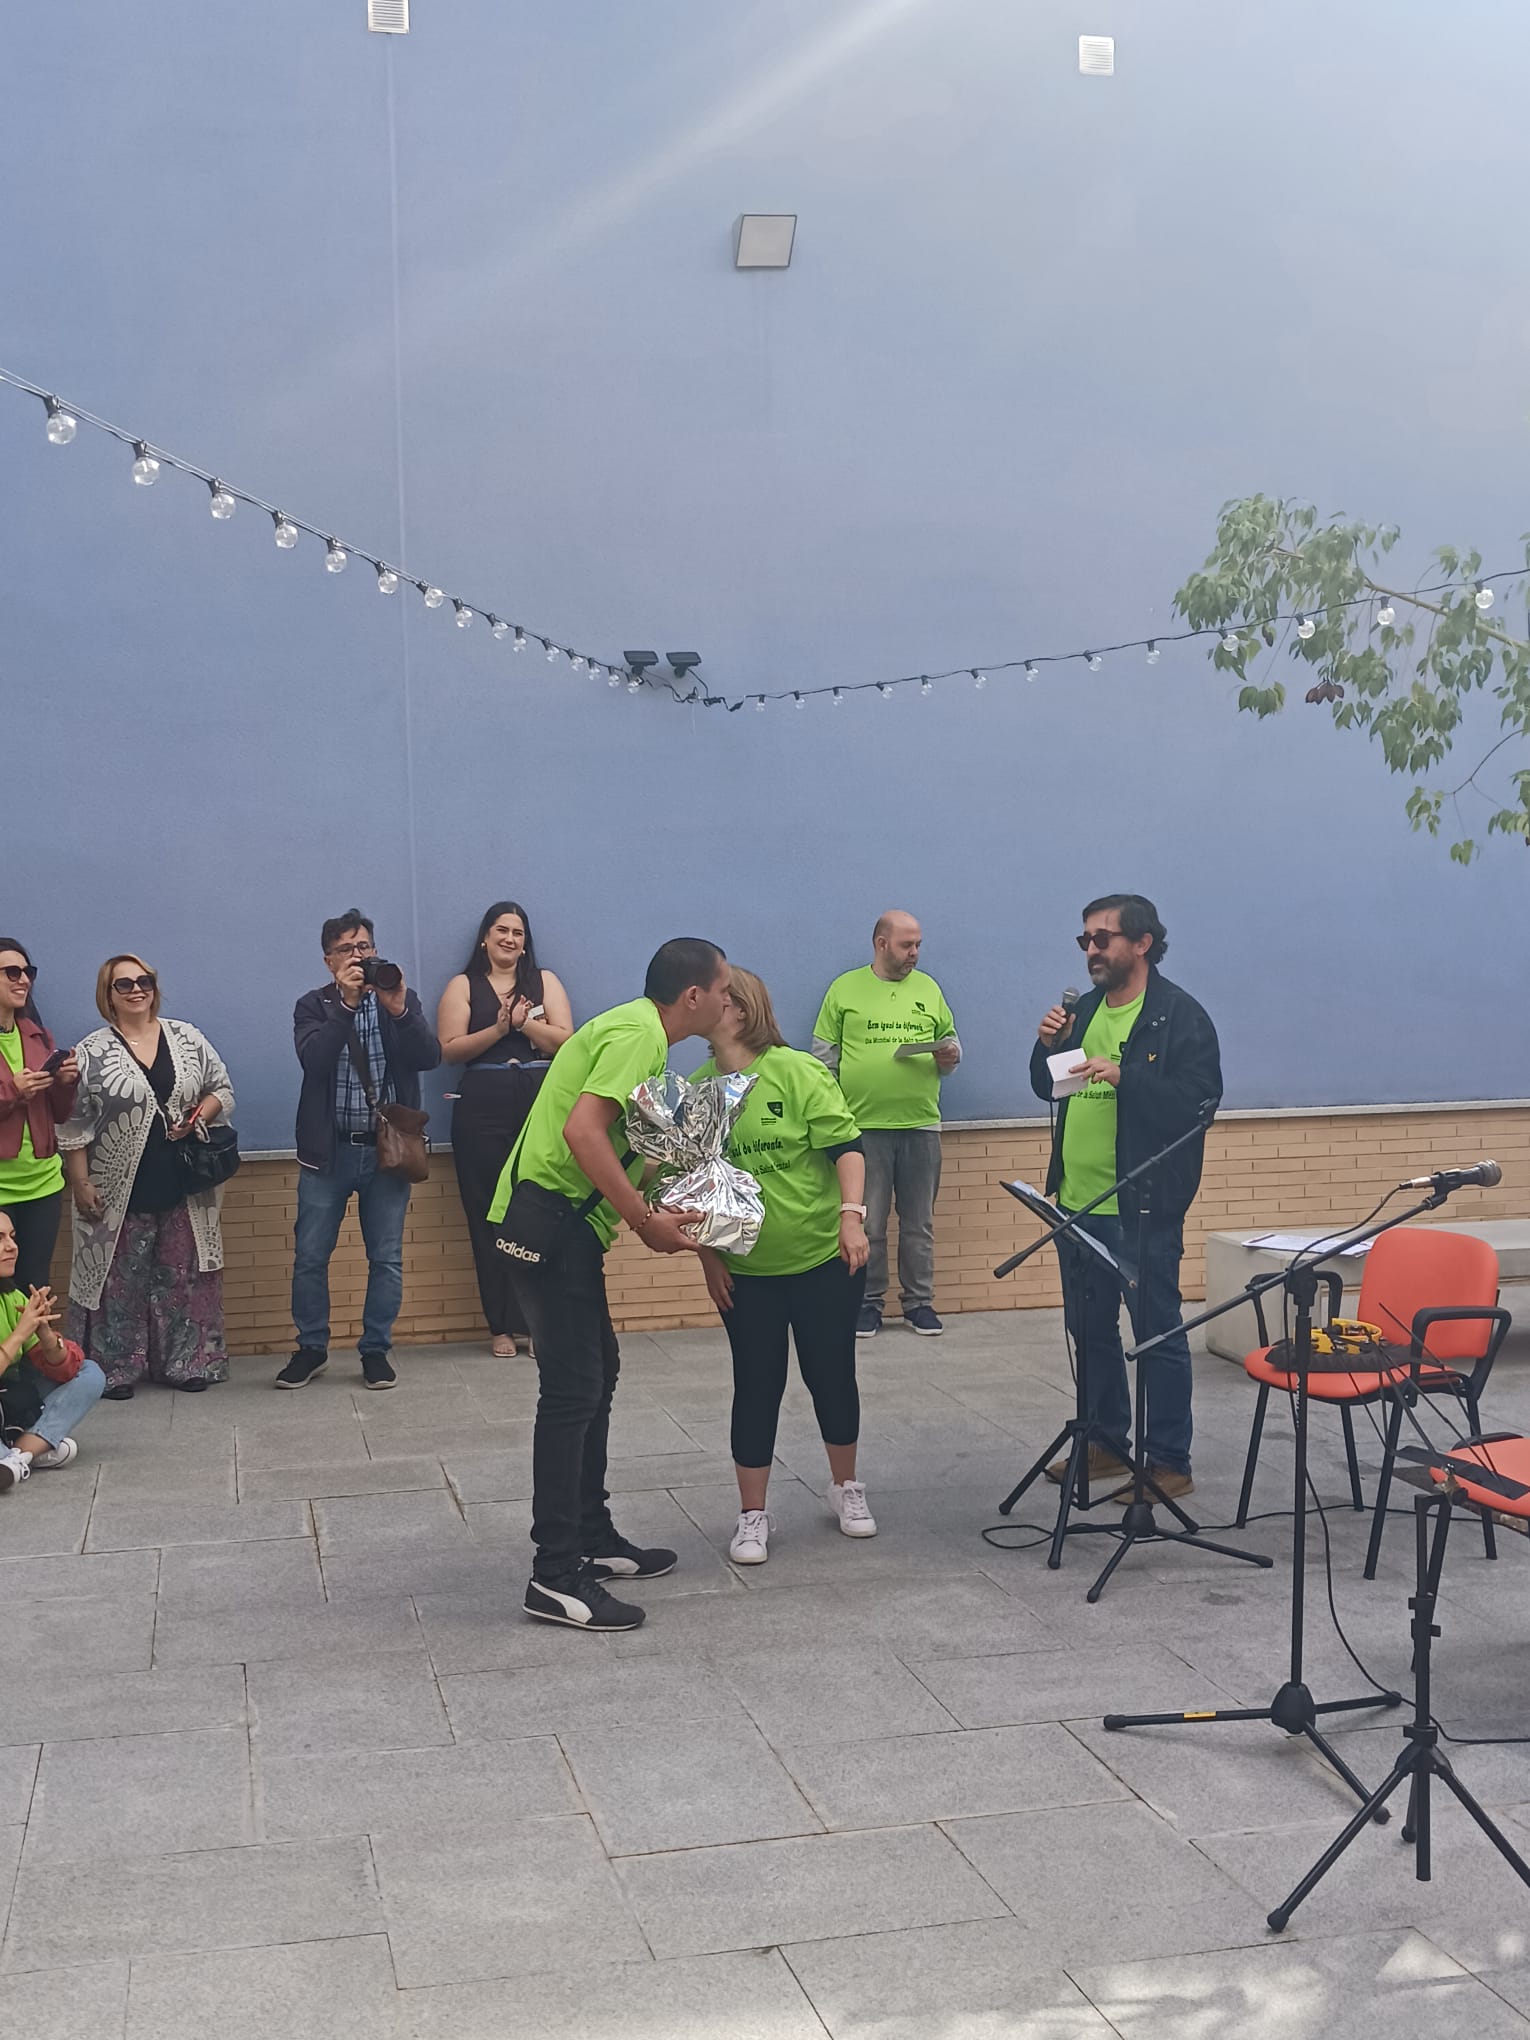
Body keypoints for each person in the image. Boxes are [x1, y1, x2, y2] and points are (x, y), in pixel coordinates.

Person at [487, 938, 731, 1632]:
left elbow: (624, 1146)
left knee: (598, 1374)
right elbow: (583, 1132)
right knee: (572, 1392)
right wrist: (644, 1220)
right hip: (552, 1227)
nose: (727, 1001)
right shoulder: (637, 1035)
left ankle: (591, 1536)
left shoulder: (636, 1035)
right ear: (693, 996)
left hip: (567, 1229)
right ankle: (555, 1574)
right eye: (723, 989)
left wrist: (666, 1200)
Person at [1030, 893, 1221, 1503]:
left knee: (1156, 1334)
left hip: (1140, 1207)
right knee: (1090, 1330)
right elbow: (1047, 1087)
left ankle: (1169, 1461)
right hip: (1078, 1203)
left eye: (1103, 938)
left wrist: (1126, 1076)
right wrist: (1045, 1046)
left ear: (1142, 943)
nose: (1092, 949)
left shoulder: (1178, 1015)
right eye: (1085, 939)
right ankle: (1107, 1443)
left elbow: (1199, 1106)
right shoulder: (1083, 1011)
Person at [695, 967, 874, 1564]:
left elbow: (847, 1148)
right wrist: (708, 1257)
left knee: (830, 1374)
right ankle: (752, 1516)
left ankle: (847, 1488)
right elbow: (695, 1186)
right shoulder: (698, 1089)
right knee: (756, 1384)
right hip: (747, 1274)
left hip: (823, 1258)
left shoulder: (797, 1070)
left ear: (739, 1010)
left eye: (714, 997)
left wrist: (851, 1217)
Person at [278, 910, 442, 1393]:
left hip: (387, 1154)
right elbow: (314, 1061)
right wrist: (346, 1006)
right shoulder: (312, 1005)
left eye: (365, 947)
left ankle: (375, 1350)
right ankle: (311, 1348)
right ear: (329, 960)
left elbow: (429, 1057)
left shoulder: (400, 1000)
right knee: (310, 1256)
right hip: (328, 1155)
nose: (360, 957)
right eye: (348, 950)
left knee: (386, 1257)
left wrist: (399, 1010)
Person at [59, 956, 235, 1398]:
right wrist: (80, 1183)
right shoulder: (91, 1052)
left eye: (145, 981)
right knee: (120, 1282)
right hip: (117, 1188)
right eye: (124, 984)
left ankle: (187, 1362)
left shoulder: (186, 1037)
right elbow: (73, 1123)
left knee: (182, 1278)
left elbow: (221, 1089)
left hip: (183, 1183)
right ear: (108, 995)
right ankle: (115, 1369)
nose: (137, 990)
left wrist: (198, 1115)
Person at [813, 911, 961, 1339]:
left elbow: (951, 1044)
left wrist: (949, 1056)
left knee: (919, 1224)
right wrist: (833, 1118)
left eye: (918, 945)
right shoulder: (845, 989)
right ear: (881, 943)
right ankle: (867, 1304)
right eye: (906, 945)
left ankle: (919, 1304)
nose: (914, 953)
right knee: (868, 1223)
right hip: (863, 1129)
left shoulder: (929, 989)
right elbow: (824, 1059)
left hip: (921, 1126)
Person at [438, 901, 573, 1358]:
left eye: (518, 932)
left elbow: (568, 1043)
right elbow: (451, 1049)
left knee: (537, 1207)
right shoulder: (463, 985)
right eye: (501, 930)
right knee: (486, 1213)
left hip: (538, 1101)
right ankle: (499, 1325)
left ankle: (537, 1323)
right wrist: (499, 1029)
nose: (510, 939)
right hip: (482, 1106)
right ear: (485, 937)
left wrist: (528, 1025)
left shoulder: (544, 982)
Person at [0, 1211, 106, 1491]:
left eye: (12, 1237)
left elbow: (64, 1369)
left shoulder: (12, 1298)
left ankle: (18, 1454)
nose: (11, 1246)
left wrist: (45, 1336)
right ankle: (32, 1449)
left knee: (89, 1373)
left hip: (8, 1399)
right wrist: (21, 1331)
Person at [0, 938, 79, 1293]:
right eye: (11, 972)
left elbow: (59, 1114)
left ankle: (34, 1351)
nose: (23, 980)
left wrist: (63, 1083)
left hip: (44, 1184)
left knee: (35, 1288)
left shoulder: (37, 1035)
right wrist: (13, 1091)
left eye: (28, 972)